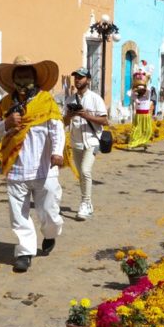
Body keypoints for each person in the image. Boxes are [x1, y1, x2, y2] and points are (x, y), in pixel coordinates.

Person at [0, 55, 65, 272]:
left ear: (35, 78)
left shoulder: (46, 101)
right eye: (19, 77)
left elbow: (57, 128)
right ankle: (24, 252)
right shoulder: (5, 104)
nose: (23, 81)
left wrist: (57, 153)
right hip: (16, 169)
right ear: (13, 80)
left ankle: (50, 234)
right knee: (18, 215)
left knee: (49, 213)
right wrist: (6, 123)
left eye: (27, 76)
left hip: (45, 169)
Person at [64, 67, 108, 220]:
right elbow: (64, 122)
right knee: (81, 174)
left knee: (85, 170)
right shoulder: (70, 100)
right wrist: (70, 115)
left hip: (92, 140)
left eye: (81, 77)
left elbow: (104, 120)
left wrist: (87, 116)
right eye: (76, 77)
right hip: (76, 141)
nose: (77, 80)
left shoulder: (95, 99)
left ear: (88, 80)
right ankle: (86, 202)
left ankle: (86, 203)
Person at [127, 84, 154, 149]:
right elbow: (128, 93)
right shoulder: (135, 97)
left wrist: (144, 85)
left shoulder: (147, 96)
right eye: (140, 90)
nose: (142, 91)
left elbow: (149, 90)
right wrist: (134, 88)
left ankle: (143, 142)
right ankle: (132, 144)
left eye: (143, 90)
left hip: (146, 116)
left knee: (146, 130)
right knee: (136, 130)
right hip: (138, 117)